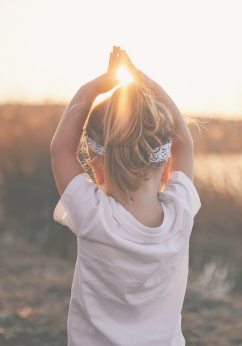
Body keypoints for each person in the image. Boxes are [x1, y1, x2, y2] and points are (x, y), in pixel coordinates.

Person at [51, 46, 201, 346]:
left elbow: (60, 150)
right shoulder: (181, 214)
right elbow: (185, 146)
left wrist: (94, 87)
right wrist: (142, 80)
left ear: (94, 161)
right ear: (165, 163)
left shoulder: (93, 215)